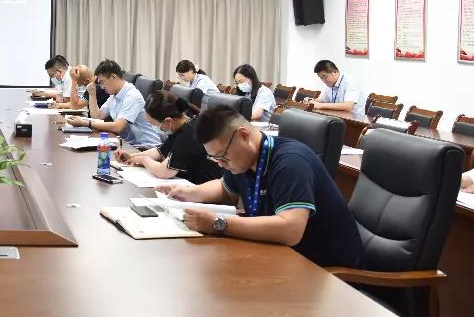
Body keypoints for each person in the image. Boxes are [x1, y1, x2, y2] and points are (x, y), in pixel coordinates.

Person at [156, 105, 364, 268]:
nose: (220, 164)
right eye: (214, 158)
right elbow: (224, 189)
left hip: (324, 268)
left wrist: (219, 223)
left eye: (222, 157)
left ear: (244, 135)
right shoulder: (243, 160)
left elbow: (290, 229)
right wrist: (186, 193)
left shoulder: (291, 162)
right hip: (282, 255)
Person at [115, 91, 222, 185]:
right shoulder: (182, 127)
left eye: (154, 124)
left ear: (168, 121)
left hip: (205, 187)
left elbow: (164, 172)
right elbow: (160, 152)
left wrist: (143, 160)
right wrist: (131, 157)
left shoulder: (188, 134)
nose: (154, 127)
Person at [65, 59, 160, 146]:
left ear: (113, 76)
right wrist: (92, 94)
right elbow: (98, 116)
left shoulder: (132, 95)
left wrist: (86, 123)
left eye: (102, 82)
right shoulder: (114, 95)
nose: (101, 87)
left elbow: (118, 127)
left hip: (145, 146)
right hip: (128, 144)